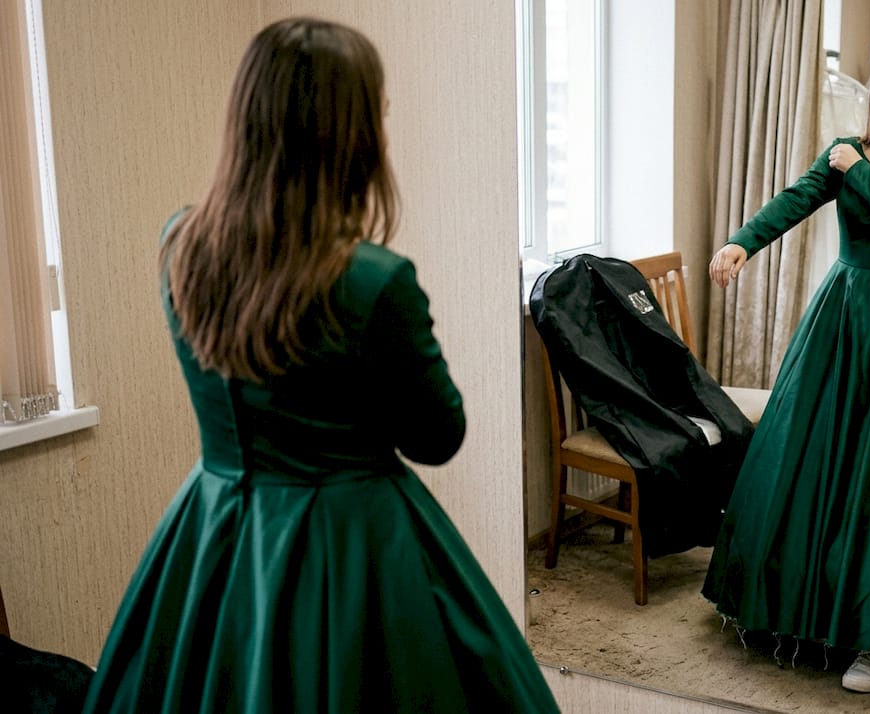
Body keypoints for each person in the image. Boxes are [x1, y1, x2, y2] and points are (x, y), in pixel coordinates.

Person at [81, 17, 559, 713]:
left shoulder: (181, 250)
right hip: (350, 549)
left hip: (216, 531)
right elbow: (437, 436)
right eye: (380, 114)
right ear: (351, 136)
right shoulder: (374, 282)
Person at [701, 47, 870, 694]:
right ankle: (804, 609)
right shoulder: (844, 151)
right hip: (843, 315)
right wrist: (741, 242)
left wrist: (859, 170)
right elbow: (794, 200)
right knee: (812, 458)